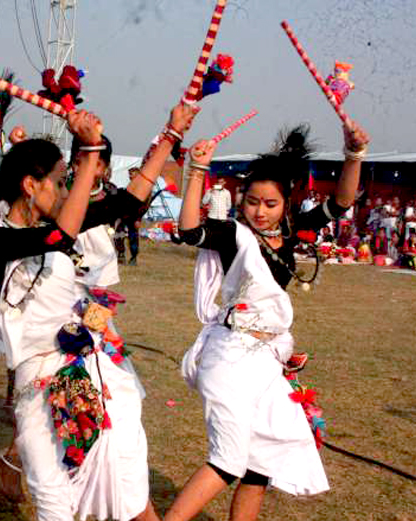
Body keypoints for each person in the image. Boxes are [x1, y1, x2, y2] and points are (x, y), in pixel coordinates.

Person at [0, 104, 197, 520]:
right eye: (61, 182)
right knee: (54, 502)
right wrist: (90, 150)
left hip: (90, 373)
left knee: (127, 486)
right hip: (38, 384)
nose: (66, 192)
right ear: (31, 185)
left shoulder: (46, 230)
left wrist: (170, 135)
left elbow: (129, 200)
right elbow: (60, 236)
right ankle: (12, 466)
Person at [165, 120, 369, 521]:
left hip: (266, 361)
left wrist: (354, 154)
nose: (259, 211)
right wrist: (198, 170)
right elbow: (188, 230)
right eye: (253, 201)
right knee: (227, 462)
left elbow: (342, 202)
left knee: (261, 464)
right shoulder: (233, 235)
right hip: (230, 358)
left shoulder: (291, 232)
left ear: (286, 205)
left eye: (270, 204)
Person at [115, 166, 142, 265]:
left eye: (132, 174)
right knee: (119, 234)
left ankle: (133, 257)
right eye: (129, 174)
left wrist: (138, 219)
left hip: (134, 217)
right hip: (123, 215)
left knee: (133, 236)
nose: (130, 176)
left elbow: (143, 206)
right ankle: (121, 254)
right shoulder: (129, 187)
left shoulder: (142, 189)